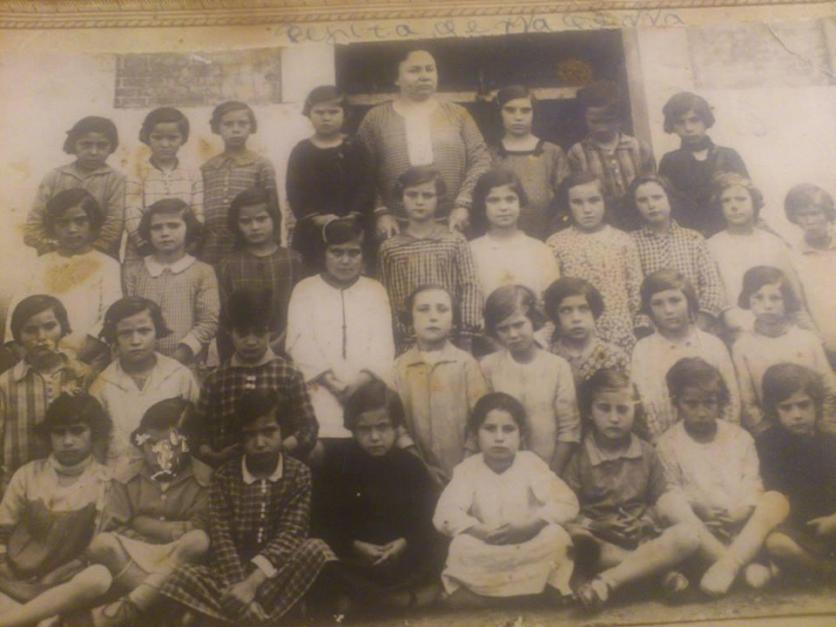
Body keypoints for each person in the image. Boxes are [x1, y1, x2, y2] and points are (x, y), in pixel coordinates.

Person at [158, 389, 336, 624]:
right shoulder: (224, 476)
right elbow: (222, 539)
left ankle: (240, 617)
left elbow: (291, 535)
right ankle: (265, 617)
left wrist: (251, 585)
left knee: (316, 550)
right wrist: (241, 588)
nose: (260, 442)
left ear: (283, 431)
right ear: (240, 438)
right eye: (250, 434)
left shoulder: (298, 473)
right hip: (231, 575)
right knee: (181, 576)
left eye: (269, 431)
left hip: (275, 572)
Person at [563, 368, 700, 610]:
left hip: (642, 538)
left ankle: (608, 581)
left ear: (635, 410)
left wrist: (643, 522)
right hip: (601, 542)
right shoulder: (579, 457)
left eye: (622, 409)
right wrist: (596, 525)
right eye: (604, 409)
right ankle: (659, 574)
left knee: (687, 536)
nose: (614, 418)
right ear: (589, 412)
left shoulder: (647, 453)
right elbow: (567, 509)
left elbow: (659, 500)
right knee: (579, 544)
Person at [657, 357, 790, 596]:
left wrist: (739, 513)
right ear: (676, 403)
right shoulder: (668, 443)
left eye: (709, 403)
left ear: (720, 402)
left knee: (775, 500)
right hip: (703, 529)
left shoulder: (739, 437)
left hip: (741, 527)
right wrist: (701, 510)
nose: (701, 412)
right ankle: (736, 565)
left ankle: (728, 565)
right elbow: (673, 488)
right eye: (691, 404)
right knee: (668, 502)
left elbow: (752, 483)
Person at [433, 392, 578, 606]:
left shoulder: (531, 463)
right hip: (487, 544)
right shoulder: (468, 469)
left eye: (508, 429)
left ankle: (527, 590)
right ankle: (518, 594)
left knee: (556, 536)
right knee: (461, 545)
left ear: (522, 435)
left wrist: (532, 525)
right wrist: (479, 530)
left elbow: (567, 502)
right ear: (475, 434)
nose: (499, 437)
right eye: (490, 429)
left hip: (528, 542)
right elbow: (445, 513)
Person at [313, 380, 441, 613]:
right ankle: (396, 600)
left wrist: (403, 543)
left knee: (442, 541)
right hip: (355, 558)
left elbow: (424, 518)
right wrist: (356, 545)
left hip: (400, 555)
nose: (374, 437)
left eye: (383, 427)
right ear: (352, 429)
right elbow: (324, 520)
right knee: (321, 557)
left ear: (396, 427)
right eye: (365, 429)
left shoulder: (411, 466)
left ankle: (373, 601)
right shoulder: (338, 464)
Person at [88, 398, 211, 625]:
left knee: (198, 540)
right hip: (134, 557)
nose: (157, 453)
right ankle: (162, 605)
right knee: (101, 544)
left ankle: (132, 606)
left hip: (180, 560)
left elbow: (200, 528)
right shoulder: (126, 477)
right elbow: (112, 527)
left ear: (189, 445)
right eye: (150, 443)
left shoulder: (205, 480)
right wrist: (149, 534)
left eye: (170, 445)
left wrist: (143, 523)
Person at [286, 217, 394, 464]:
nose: (345, 260)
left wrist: (356, 387)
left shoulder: (374, 290)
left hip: (365, 392)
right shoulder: (305, 290)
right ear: (324, 254)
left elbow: (382, 344)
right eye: (337, 252)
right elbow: (299, 342)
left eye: (353, 253)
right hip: (319, 390)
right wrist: (333, 384)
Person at [0, 394, 113, 627]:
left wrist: (54, 579)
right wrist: (3, 566)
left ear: (94, 433)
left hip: (62, 582)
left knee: (99, 577)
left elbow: (93, 548)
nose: (68, 441)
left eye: (78, 431)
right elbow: (2, 528)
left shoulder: (105, 481)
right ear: (49, 436)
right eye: (59, 433)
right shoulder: (28, 474)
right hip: (10, 576)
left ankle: (22, 617)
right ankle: (39, 616)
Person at [356, 48, 490, 237]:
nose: (424, 76)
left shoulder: (458, 114)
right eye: (414, 70)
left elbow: (481, 161)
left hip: (453, 224)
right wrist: (381, 212)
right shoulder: (376, 118)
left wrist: (463, 204)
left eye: (430, 69)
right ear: (396, 78)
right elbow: (361, 170)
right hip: (395, 228)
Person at [192, 287, 318, 468]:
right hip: (228, 468)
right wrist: (212, 455)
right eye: (242, 334)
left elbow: (309, 427)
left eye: (259, 333)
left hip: (281, 467)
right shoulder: (216, 380)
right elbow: (198, 430)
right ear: (229, 332)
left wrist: (281, 449)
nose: (251, 341)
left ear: (270, 332)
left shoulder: (289, 374)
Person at [6, 188, 122, 366]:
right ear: (52, 226)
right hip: (36, 363)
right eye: (63, 223)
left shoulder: (107, 266)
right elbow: (15, 314)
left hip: (86, 362)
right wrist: (30, 361)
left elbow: (109, 318)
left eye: (80, 221)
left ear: (92, 222)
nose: (72, 229)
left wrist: (73, 362)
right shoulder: (37, 265)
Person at [90, 297, 199, 476]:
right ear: (114, 338)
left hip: (172, 476)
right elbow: (97, 446)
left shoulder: (179, 375)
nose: (135, 340)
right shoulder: (102, 385)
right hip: (120, 479)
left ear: (157, 331)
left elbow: (196, 433)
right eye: (125, 333)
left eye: (144, 331)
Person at [378, 166, 483, 350]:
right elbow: (386, 296)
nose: (419, 202)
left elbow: (470, 286)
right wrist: (396, 332)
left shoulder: (455, 241)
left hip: (452, 338)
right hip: (408, 341)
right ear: (401, 198)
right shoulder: (390, 248)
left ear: (438, 199)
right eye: (412, 195)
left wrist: (466, 330)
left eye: (427, 195)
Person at [393, 284, 488, 485]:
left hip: (465, 471)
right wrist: (421, 466)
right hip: (416, 472)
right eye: (423, 309)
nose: (433, 317)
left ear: (453, 319)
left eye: (442, 309)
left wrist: (465, 465)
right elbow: (397, 425)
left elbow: (481, 417)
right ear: (410, 317)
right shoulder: (399, 367)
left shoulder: (466, 364)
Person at [480, 285, 580, 475]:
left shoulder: (557, 367)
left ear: (533, 320)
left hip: (551, 467)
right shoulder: (488, 366)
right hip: (502, 471)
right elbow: (483, 424)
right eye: (503, 329)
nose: (513, 334)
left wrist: (551, 475)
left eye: (519, 324)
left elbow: (569, 429)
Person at [631, 270, 740, 442]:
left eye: (675, 301)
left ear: (689, 302)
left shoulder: (712, 345)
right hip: (665, 444)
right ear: (649, 309)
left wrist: (723, 441)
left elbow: (731, 402)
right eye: (658, 304)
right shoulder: (643, 350)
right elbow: (645, 406)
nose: (668, 310)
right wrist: (660, 444)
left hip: (715, 442)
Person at [732, 266, 836, 434]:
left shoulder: (807, 340)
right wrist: (767, 433)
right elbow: (747, 402)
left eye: (775, 298)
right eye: (758, 297)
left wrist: (824, 426)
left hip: (815, 429)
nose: (767, 305)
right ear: (748, 300)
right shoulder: (743, 347)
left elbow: (829, 388)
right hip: (772, 435)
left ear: (787, 301)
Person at [546, 172, 643, 353]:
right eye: (577, 202)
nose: (587, 209)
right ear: (567, 205)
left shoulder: (622, 240)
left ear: (605, 201)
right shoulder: (556, 244)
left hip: (619, 334)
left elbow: (635, 290)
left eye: (594, 200)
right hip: (575, 335)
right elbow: (552, 295)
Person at [0, 295, 89, 486]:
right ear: (18, 336)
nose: (41, 337)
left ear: (63, 328)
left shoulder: (82, 375)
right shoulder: (6, 384)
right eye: (30, 330)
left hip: (76, 484)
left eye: (50, 327)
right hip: (19, 486)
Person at [757, 364, 836, 577]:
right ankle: (825, 571)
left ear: (816, 405)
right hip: (797, 528)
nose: (797, 415)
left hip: (832, 522)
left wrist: (833, 521)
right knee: (777, 544)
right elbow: (774, 495)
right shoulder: (768, 444)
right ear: (774, 410)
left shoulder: (830, 441)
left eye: (803, 405)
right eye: (786, 408)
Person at [286, 85, 375, 273]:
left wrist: (353, 215)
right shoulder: (301, 151)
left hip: (353, 226)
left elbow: (367, 184)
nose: (326, 117)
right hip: (314, 230)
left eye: (333, 112)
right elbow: (295, 191)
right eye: (319, 112)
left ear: (345, 114)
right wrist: (317, 218)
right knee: (314, 274)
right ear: (308, 114)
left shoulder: (355, 147)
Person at [707, 173, 805, 338]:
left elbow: (794, 296)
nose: (734, 206)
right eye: (726, 201)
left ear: (754, 202)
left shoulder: (774, 243)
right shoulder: (711, 246)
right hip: (736, 331)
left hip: (778, 328)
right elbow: (715, 297)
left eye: (741, 199)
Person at [123, 199, 219, 366]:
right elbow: (126, 318)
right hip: (140, 362)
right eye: (156, 227)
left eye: (173, 226)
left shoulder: (203, 272)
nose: (165, 233)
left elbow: (208, 322)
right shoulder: (134, 271)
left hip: (185, 364)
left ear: (188, 228)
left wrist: (180, 356)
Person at [628, 174, 727, 334]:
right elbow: (633, 292)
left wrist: (698, 325)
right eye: (642, 200)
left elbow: (712, 287)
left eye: (657, 197)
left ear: (670, 199)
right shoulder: (630, 242)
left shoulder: (693, 239)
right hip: (653, 330)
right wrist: (648, 328)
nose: (651, 205)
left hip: (697, 326)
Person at [216, 187, 302, 363]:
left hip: (289, 348)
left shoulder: (294, 261)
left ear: (274, 219)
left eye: (261, 219)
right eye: (245, 221)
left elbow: (302, 310)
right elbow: (225, 317)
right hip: (242, 351)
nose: (254, 227)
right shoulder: (227, 266)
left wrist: (278, 341)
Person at [24, 116, 125, 259]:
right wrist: (50, 248)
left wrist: (90, 253)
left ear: (112, 147)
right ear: (73, 145)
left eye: (102, 145)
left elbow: (114, 225)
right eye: (86, 144)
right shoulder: (54, 177)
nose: (94, 152)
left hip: (99, 258)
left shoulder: (117, 180)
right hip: (55, 256)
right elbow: (34, 222)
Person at [567, 80, 655, 230]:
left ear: (620, 118)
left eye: (608, 121)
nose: (602, 128)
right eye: (595, 122)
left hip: (640, 223)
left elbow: (652, 186)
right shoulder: (578, 153)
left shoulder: (639, 148)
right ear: (585, 118)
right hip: (601, 226)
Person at [658, 92, 749, 237]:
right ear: (672, 126)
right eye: (680, 122)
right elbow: (665, 205)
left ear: (706, 120)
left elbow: (748, 199)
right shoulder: (670, 161)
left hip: (728, 234)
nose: (688, 128)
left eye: (694, 120)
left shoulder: (728, 156)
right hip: (687, 237)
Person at [200, 100, 278, 266]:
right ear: (217, 127)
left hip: (248, 242)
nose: (236, 129)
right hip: (213, 244)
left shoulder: (260, 164)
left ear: (251, 127)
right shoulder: (208, 168)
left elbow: (273, 209)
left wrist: (273, 245)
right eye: (228, 124)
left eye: (242, 123)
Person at [124, 107, 204, 266]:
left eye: (173, 138)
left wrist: (191, 240)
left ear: (183, 138)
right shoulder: (137, 171)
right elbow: (131, 211)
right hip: (144, 249)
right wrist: (142, 242)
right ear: (147, 138)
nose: (165, 144)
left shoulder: (192, 172)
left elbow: (198, 210)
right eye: (157, 138)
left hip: (182, 247)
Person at [488, 85, 570, 238]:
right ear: (500, 113)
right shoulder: (490, 155)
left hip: (546, 233)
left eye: (525, 110)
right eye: (510, 110)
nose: (518, 117)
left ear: (534, 113)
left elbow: (565, 201)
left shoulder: (552, 152)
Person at [468, 168, 560, 302]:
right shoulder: (471, 251)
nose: (503, 207)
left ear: (520, 203)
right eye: (494, 200)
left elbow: (551, 299)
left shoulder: (540, 250)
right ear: (482, 206)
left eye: (510, 199)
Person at [543, 277, 629, 386]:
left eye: (583, 309)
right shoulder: (548, 357)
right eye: (566, 310)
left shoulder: (614, 357)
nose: (576, 318)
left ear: (594, 313)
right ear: (555, 316)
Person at [784, 183, 836, 363]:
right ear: (794, 218)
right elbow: (798, 307)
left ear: (827, 214)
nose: (809, 221)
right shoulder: (793, 257)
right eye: (803, 215)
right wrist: (820, 342)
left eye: (815, 213)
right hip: (828, 345)